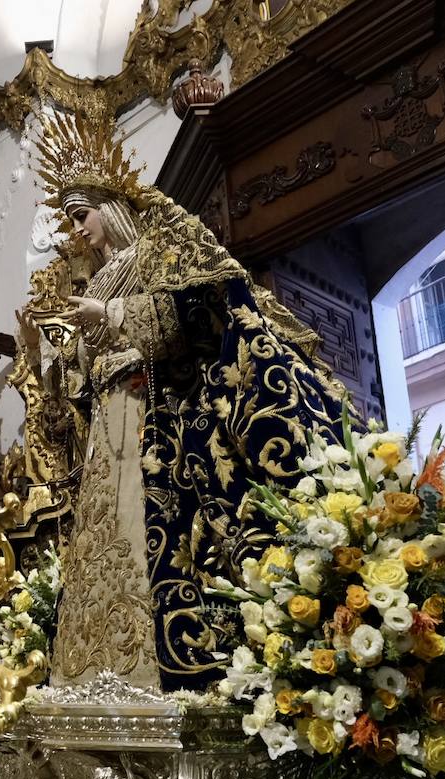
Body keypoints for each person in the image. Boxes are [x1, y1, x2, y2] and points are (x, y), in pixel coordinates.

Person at [26, 110, 344, 691]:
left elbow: (184, 320)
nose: (76, 230)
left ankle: (151, 669)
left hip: (149, 416)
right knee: (100, 546)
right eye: (69, 220)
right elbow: (85, 367)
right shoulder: (94, 278)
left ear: (112, 206)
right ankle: (93, 669)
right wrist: (65, 362)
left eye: (82, 215)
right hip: (108, 422)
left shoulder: (152, 256)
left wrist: (114, 315)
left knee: (147, 532)